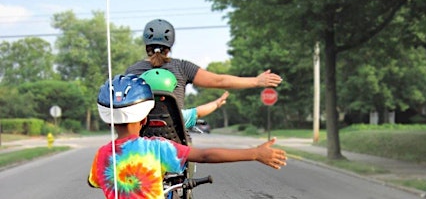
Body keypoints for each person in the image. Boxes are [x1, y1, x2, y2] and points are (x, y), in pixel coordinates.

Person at [88, 74, 287, 199]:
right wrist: (255, 153)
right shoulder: (156, 147)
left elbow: (93, 181)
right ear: (144, 118)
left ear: (108, 121)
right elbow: (206, 155)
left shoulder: (102, 154)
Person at [125, 18, 283, 108]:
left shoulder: (131, 72)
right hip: (175, 143)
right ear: (170, 44)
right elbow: (219, 81)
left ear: (146, 44)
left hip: (139, 143)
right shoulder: (182, 67)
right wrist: (256, 81)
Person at [139, 68, 229, 129]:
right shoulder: (177, 116)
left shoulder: (136, 116)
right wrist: (217, 103)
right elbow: (199, 112)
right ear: (165, 96)